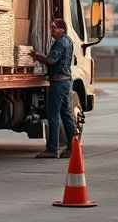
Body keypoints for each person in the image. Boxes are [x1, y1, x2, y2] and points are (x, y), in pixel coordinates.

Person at [34, 18, 77, 159]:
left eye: (54, 28)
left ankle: (52, 149)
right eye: (51, 28)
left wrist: (37, 56)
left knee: (53, 115)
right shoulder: (69, 41)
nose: (51, 31)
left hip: (58, 83)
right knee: (67, 115)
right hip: (66, 82)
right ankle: (73, 147)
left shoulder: (60, 43)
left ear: (62, 29)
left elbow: (51, 60)